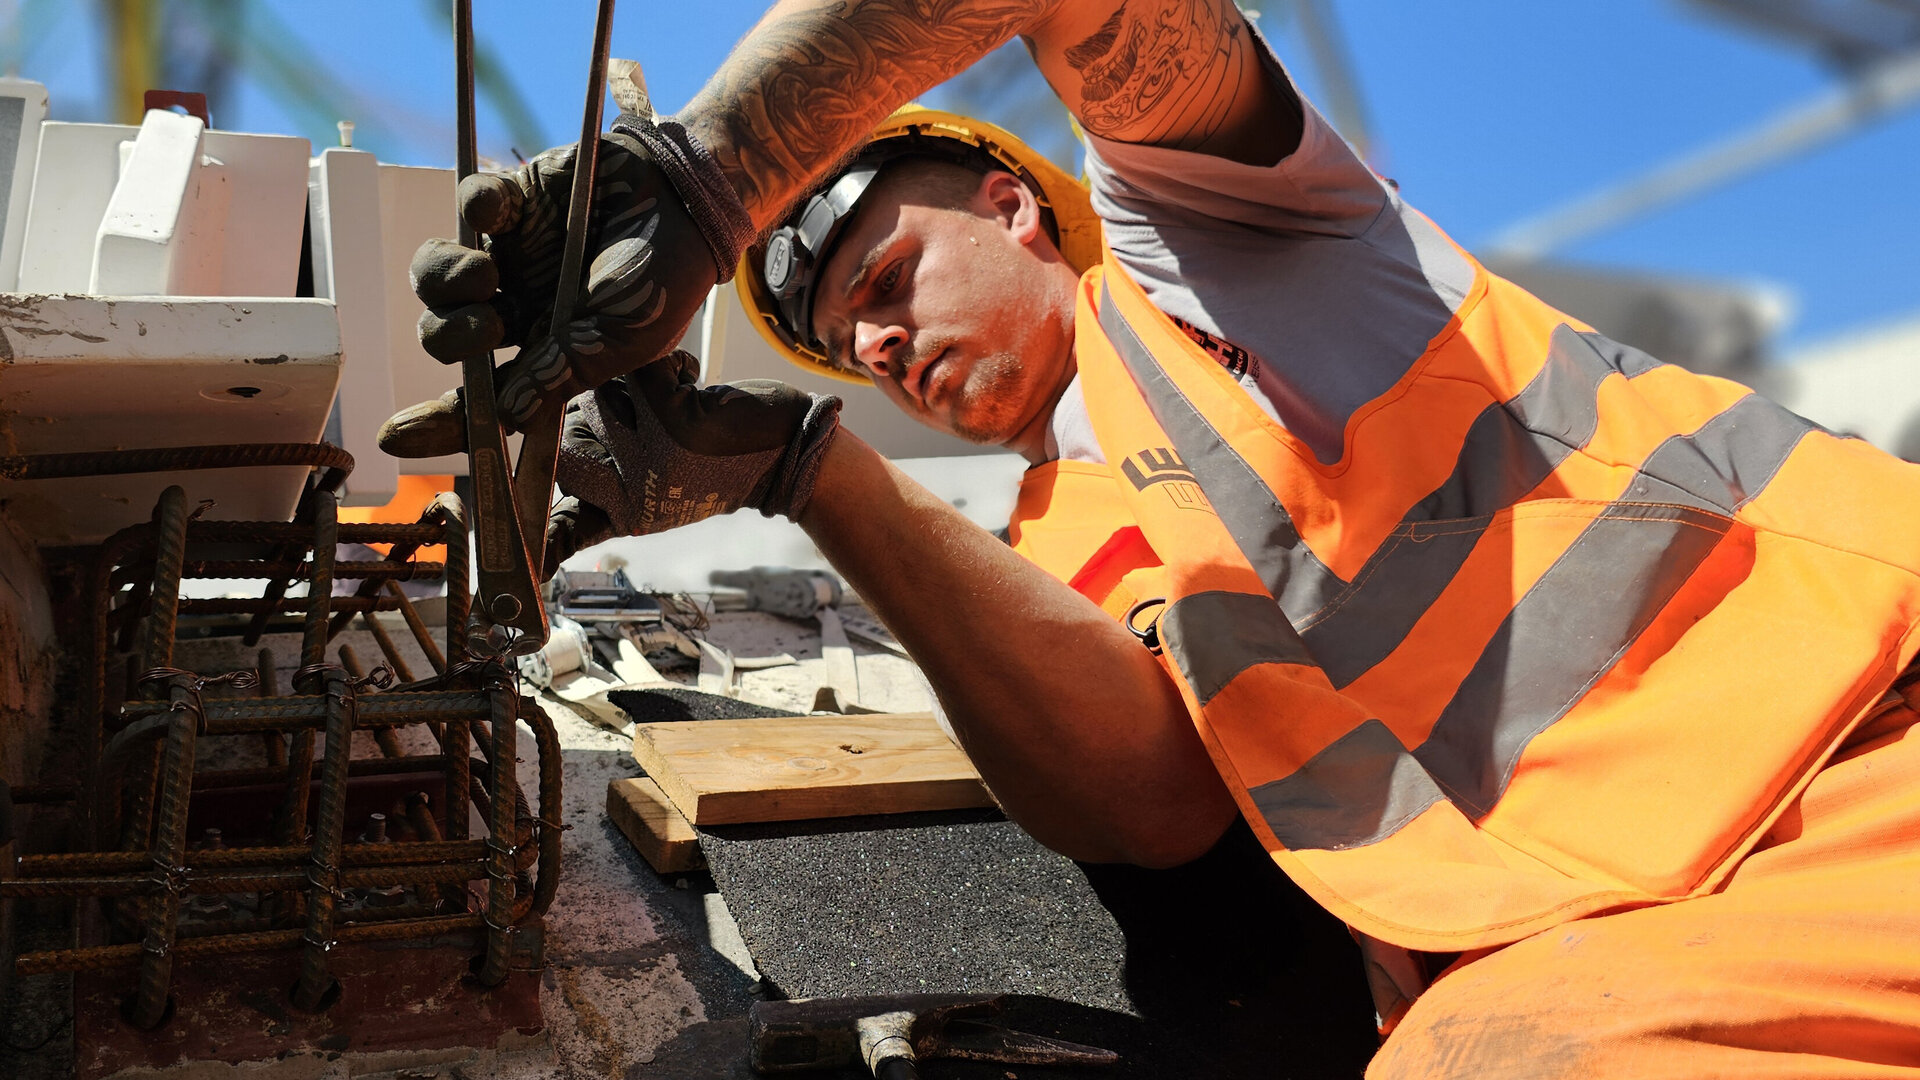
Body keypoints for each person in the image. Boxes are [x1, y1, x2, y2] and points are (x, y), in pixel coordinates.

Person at [378, 1, 1920, 1074]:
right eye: (850, 346)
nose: (881, 345)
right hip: (1591, 943)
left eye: (891, 279)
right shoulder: (1040, 540)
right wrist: (806, 471)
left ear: (1014, 204)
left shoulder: (1228, 260)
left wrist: (716, 174)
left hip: (1859, 732)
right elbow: (1158, 804)